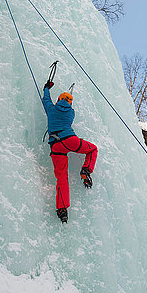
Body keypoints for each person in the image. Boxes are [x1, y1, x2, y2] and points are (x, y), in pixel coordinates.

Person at [42, 80, 98, 224]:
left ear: (59, 99)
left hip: (56, 146)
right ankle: (86, 170)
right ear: (70, 103)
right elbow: (65, 106)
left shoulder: (51, 109)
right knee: (92, 149)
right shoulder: (71, 113)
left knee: (61, 178)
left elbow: (46, 100)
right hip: (70, 140)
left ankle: (62, 209)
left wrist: (47, 88)